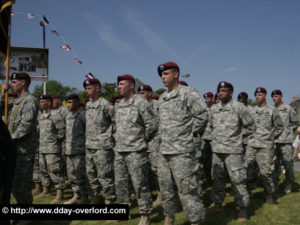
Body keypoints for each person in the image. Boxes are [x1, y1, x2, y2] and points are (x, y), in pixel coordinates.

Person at [157, 62, 208, 225]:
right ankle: (169, 217)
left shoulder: (188, 93)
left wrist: (187, 134)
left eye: (166, 74)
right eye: (161, 75)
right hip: (164, 152)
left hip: (182, 152)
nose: (163, 77)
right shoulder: (162, 98)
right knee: (166, 189)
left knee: (188, 190)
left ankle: (196, 221)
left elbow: (202, 116)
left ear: (176, 74)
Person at [114, 74, 158, 225]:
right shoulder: (119, 104)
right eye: (118, 84)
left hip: (136, 151)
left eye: (121, 84)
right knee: (120, 183)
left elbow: (153, 124)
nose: (118, 87)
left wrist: (141, 139)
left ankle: (145, 215)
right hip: (120, 150)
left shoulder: (141, 102)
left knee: (139, 184)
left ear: (131, 85)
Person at [209, 81, 255, 223]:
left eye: (224, 91)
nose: (220, 93)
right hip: (217, 150)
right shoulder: (215, 109)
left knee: (238, 180)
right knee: (218, 179)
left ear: (230, 92)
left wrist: (239, 138)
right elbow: (211, 126)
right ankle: (218, 205)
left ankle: (242, 208)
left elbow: (251, 126)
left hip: (233, 151)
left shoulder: (239, 107)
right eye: (219, 91)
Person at [1, 72, 39, 204]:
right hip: (14, 149)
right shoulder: (17, 101)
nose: (11, 84)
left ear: (23, 82)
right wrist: (2, 93)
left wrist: (8, 140)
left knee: (21, 184)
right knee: (13, 183)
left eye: (14, 82)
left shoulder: (30, 101)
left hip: (24, 150)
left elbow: (25, 128)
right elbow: (1, 108)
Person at [245, 87, 283, 203]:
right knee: (248, 169)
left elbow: (279, 127)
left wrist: (270, 138)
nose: (257, 96)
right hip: (252, 144)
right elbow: (247, 125)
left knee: (266, 171)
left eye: (260, 94)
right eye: (256, 95)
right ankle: (249, 192)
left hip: (266, 146)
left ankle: (269, 195)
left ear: (265, 96)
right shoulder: (251, 111)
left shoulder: (272, 110)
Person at [84, 76, 115, 204]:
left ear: (97, 88)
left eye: (89, 88)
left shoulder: (105, 104)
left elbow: (116, 122)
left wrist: (109, 137)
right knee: (91, 174)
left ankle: (109, 201)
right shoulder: (88, 105)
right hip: (89, 145)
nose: (86, 91)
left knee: (105, 176)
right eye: (86, 88)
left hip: (102, 146)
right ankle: (95, 198)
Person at [36, 94, 66, 204]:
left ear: (49, 102)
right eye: (40, 102)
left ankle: (60, 193)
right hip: (42, 148)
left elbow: (62, 130)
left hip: (52, 149)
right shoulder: (43, 115)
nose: (41, 104)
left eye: (43, 102)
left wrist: (55, 141)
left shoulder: (55, 115)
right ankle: (46, 189)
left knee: (55, 171)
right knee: (43, 170)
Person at [271, 89, 299, 193]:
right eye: (273, 97)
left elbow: (295, 122)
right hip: (275, 141)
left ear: (281, 97)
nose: (274, 98)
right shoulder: (272, 109)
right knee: (275, 164)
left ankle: (289, 184)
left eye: (276, 96)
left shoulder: (288, 108)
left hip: (286, 141)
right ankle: (275, 183)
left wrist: (288, 130)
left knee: (288, 163)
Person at [64, 94, 90, 204]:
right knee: (72, 175)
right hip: (69, 150)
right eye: (67, 102)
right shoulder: (68, 115)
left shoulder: (83, 115)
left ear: (77, 102)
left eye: (70, 102)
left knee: (82, 175)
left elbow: (88, 132)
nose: (68, 104)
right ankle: (76, 195)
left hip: (80, 151)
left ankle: (84, 196)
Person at [138, 84, 161, 207]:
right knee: (146, 170)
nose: (140, 96)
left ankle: (161, 194)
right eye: (139, 93)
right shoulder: (138, 106)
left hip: (155, 141)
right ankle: (150, 193)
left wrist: (144, 136)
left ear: (150, 93)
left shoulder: (157, 105)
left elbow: (156, 124)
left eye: (143, 93)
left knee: (157, 169)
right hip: (142, 143)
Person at [53, 95, 69, 181]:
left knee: (65, 160)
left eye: (54, 100)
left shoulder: (64, 111)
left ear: (59, 101)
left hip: (64, 140)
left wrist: (59, 137)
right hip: (59, 140)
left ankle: (68, 178)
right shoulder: (56, 111)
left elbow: (65, 126)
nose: (53, 102)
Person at [200, 92, 214, 185]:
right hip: (204, 138)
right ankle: (208, 177)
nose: (206, 100)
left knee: (216, 160)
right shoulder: (203, 110)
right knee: (205, 160)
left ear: (212, 99)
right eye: (205, 99)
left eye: (208, 98)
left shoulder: (217, 109)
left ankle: (217, 180)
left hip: (214, 138)